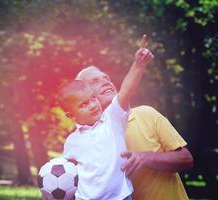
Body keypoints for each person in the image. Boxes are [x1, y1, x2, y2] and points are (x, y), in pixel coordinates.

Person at [76, 42, 193, 199]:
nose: (105, 81)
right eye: (95, 82)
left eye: (106, 78)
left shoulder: (146, 114)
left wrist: (144, 158)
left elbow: (185, 159)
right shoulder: (83, 140)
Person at [60, 35, 153, 200]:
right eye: (83, 104)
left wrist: (138, 65)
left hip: (121, 197)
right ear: (71, 115)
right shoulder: (71, 142)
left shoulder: (112, 120)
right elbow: (64, 174)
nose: (93, 105)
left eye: (93, 99)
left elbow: (126, 90)